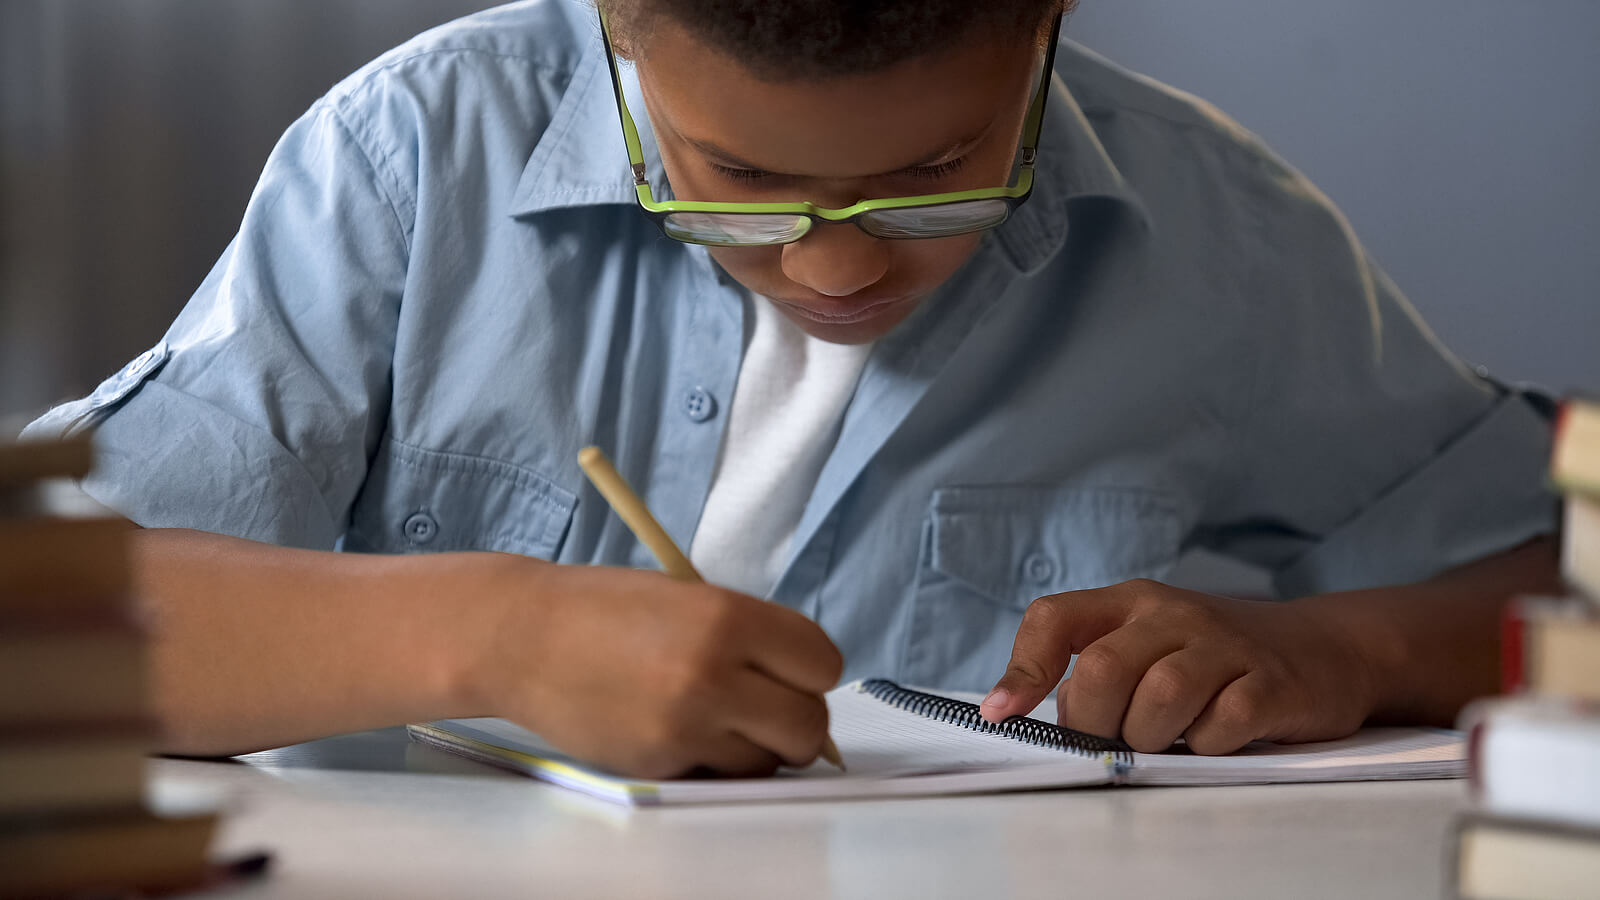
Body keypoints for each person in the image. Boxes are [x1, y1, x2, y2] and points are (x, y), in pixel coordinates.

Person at [23, 0, 1559, 778]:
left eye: (940, 173)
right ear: (619, 28)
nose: (834, 272)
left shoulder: (1220, 237)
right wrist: (487, 634)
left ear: (1047, 34)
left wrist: (1336, 646)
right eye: (738, 178)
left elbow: (1559, 559)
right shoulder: (415, 165)